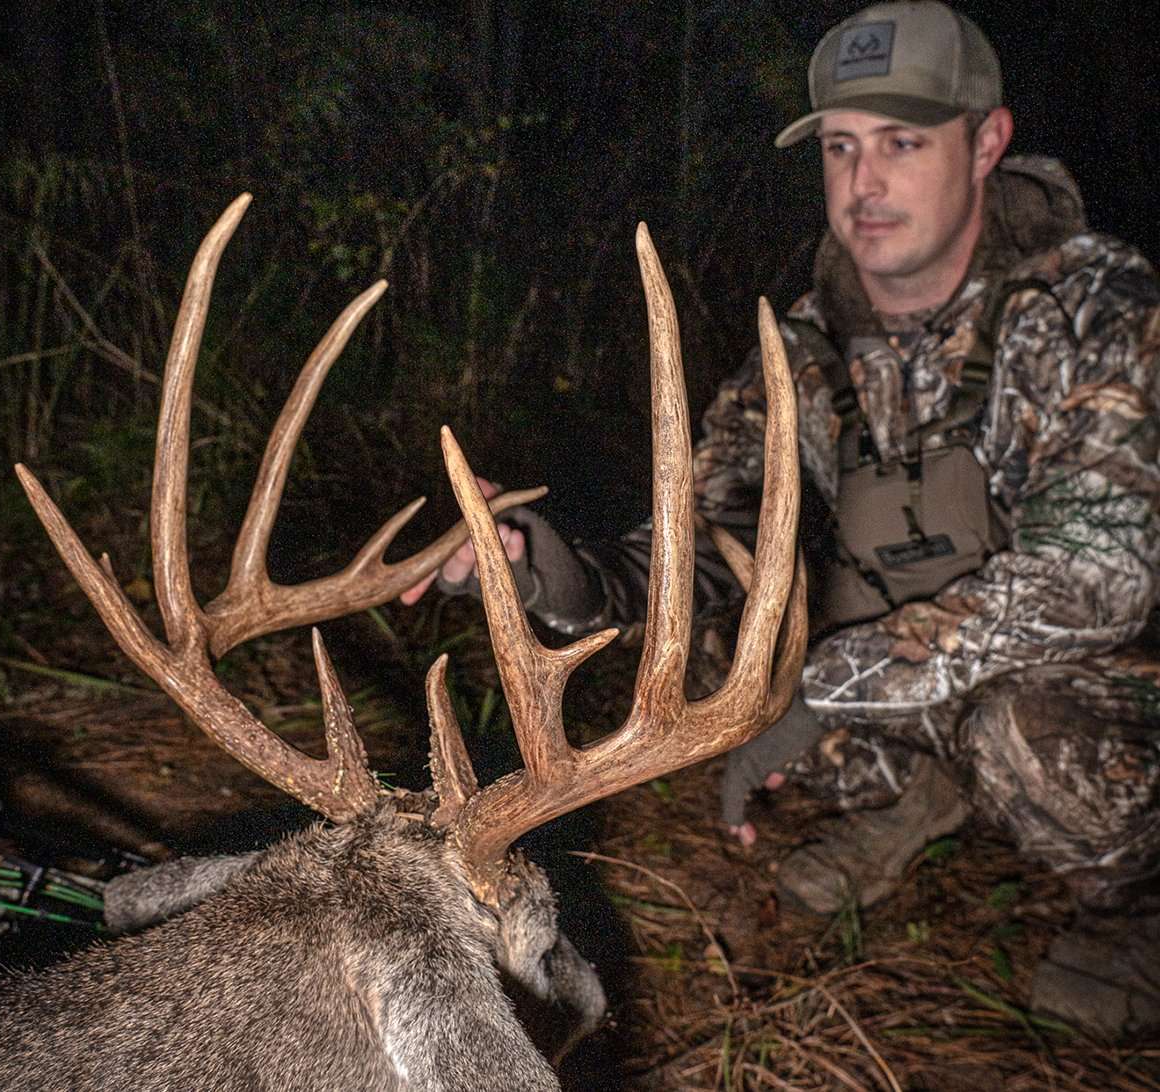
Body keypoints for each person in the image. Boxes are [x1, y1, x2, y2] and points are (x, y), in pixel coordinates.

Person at [402, 1, 1160, 1038]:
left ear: (987, 143)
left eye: (903, 141)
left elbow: (1099, 575)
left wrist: (824, 690)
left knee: (1022, 730)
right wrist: (529, 562)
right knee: (723, 650)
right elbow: (684, 561)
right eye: (841, 147)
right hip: (912, 675)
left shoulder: (1098, 306)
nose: (865, 181)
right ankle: (922, 795)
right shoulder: (798, 348)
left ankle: (1136, 904)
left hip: (1101, 686)